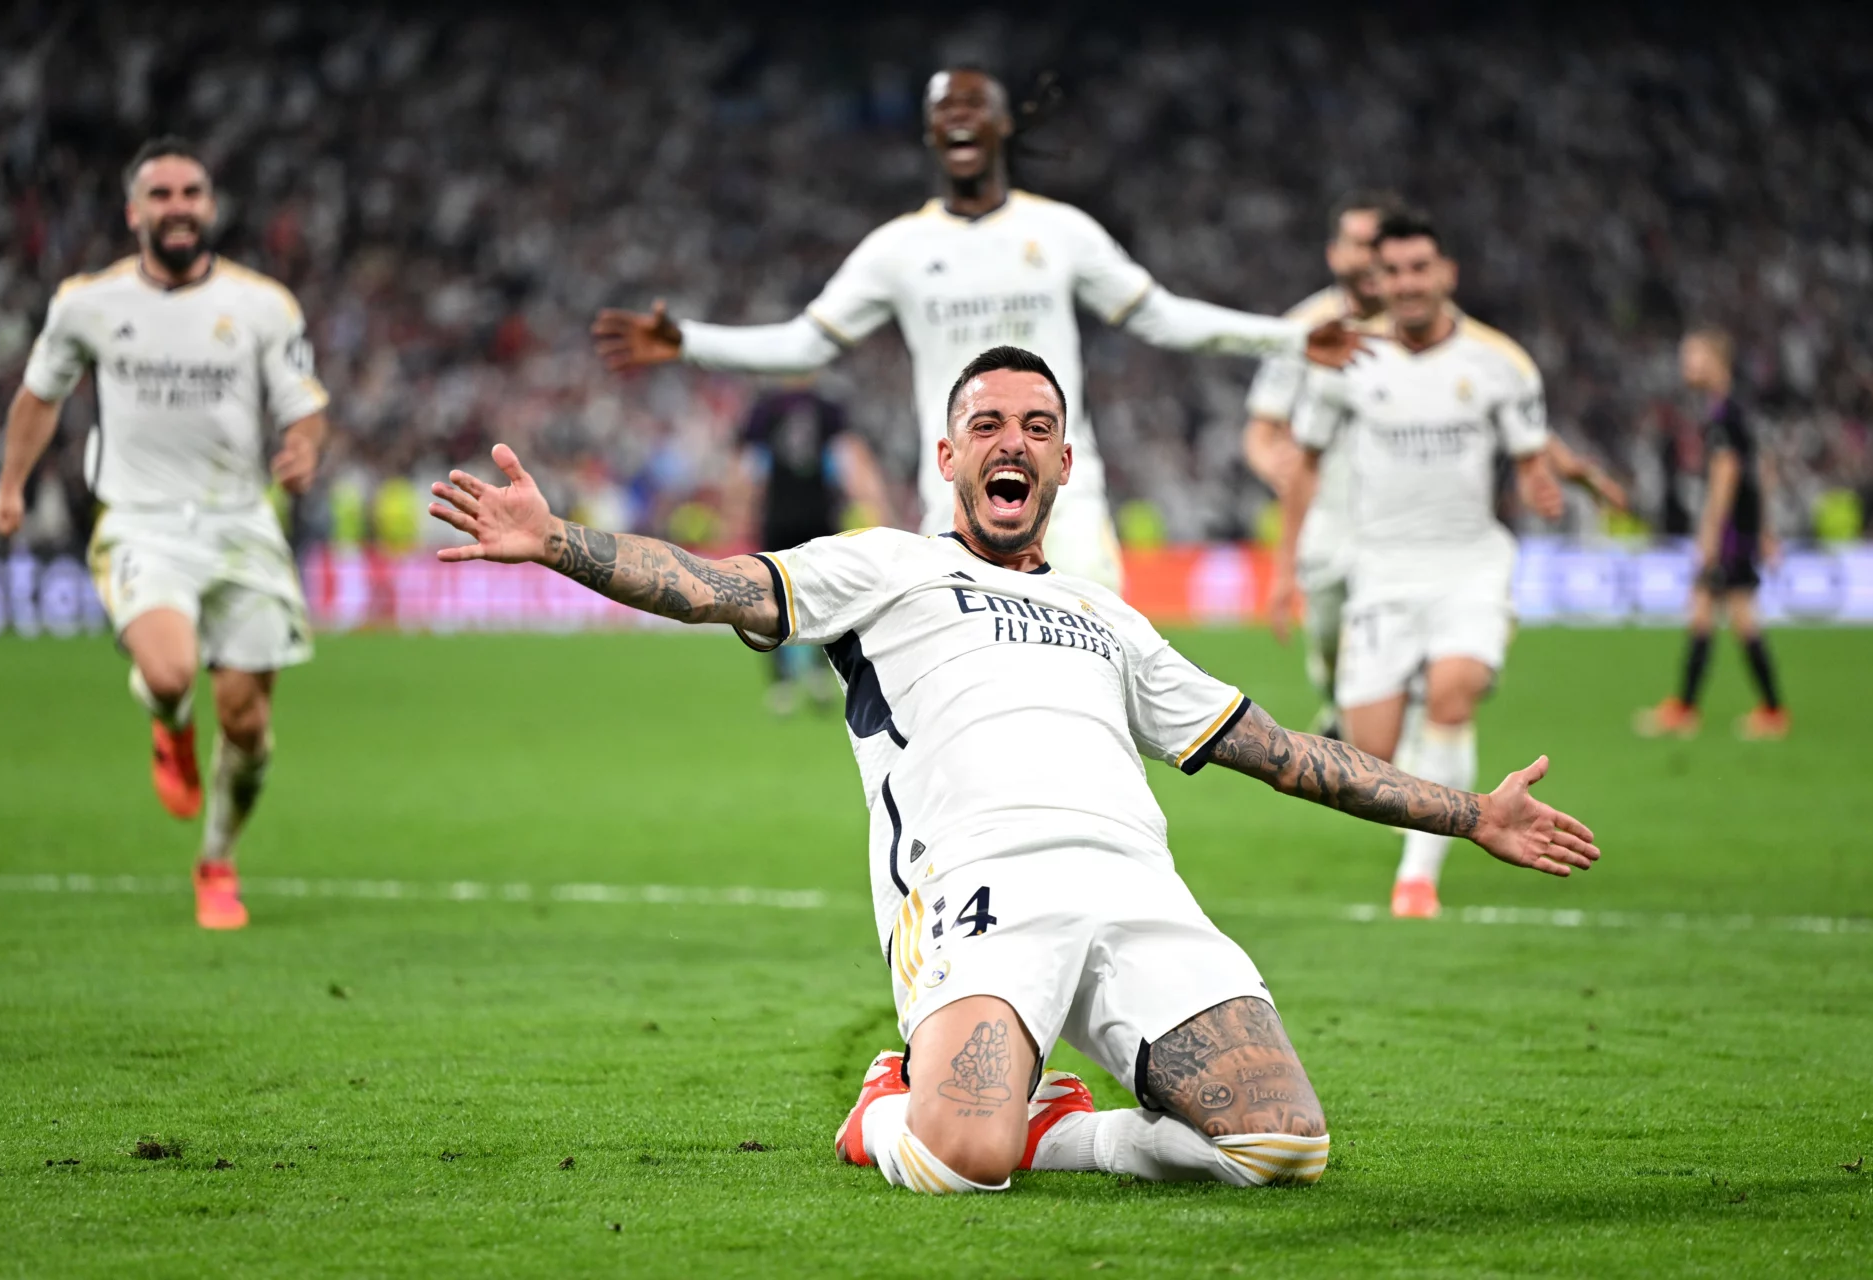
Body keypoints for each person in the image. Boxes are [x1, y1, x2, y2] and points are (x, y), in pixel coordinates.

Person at [427, 344, 1599, 1195]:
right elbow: (715, 583)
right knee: (953, 1161)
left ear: (1063, 460)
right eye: (988, 423)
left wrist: (1470, 812)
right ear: (949, 453)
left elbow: (1284, 753)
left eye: (1035, 425)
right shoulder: (883, 568)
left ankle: (1059, 1131)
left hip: (1139, 891)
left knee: (1280, 1147)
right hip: (985, 890)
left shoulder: (1111, 616)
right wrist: (560, 542)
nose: (1011, 442)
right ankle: (890, 1106)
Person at [593, 67, 1360, 592]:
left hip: (1070, 490)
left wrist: (1289, 338)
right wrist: (690, 341)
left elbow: (1161, 315)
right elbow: (806, 343)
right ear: (931, 134)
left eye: (973, 105)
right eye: (942, 109)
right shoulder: (899, 248)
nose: (958, 117)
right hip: (954, 494)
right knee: (976, 689)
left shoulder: (1061, 232)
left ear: (1001, 125)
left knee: (1096, 666)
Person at [0, 137, 329, 930]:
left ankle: (218, 862)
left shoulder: (261, 305)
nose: (178, 206)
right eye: (161, 194)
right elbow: (41, 396)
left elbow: (304, 402)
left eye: (192, 192)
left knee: (247, 722)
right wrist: (9, 487)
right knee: (172, 673)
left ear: (210, 207)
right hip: (142, 522)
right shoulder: (89, 303)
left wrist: (303, 449)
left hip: (241, 523)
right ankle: (168, 725)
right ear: (134, 211)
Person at [1278, 211, 1568, 920]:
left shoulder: (1499, 362)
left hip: (1469, 565)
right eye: (1393, 272)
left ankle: (1417, 879)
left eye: (1419, 269)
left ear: (1446, 275)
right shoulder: (1347, 361)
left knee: (1453, 694)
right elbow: (1304, 466)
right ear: (1378, 281)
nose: (1407, 284)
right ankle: (1413, 737)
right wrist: (1287, 565)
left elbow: (1532, 454)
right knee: (1370, 757)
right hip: (1379, 571)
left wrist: (1541, 482)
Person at [1247, 190, 1402, 739]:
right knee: (1332, 643)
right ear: (1335, 254)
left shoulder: (1423, 327)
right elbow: (1261, 432)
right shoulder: (1303, 328)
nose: (1366, 258)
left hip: (1399, 524)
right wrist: (1280, 467)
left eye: (1376, 245)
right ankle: (1339, 702)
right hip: (1326, 518)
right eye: (1357, 245)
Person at [1635, 329, 1787, 740]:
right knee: (1705, 611)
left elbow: (1728, 474)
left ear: (1715, 361)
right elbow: (1763, 469)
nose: (1686, 366)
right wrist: (1767, 530)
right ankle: (1688, 707)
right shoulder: (1735, 409)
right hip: (1742, 529)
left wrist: (1709, 535)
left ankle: (1769, 711)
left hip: (1731, 533)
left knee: (1738, 617)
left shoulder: (1723, 415)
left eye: (1693, 357)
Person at [726, 378, 892, 713]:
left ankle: (789, 680)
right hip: (815, 515)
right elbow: (851, 464)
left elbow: (747, 469)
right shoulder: (826, 408)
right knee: (820, 593)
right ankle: (806, 675)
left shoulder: (767, 408)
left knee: (773, 596)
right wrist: (874, 505)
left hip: (782, 515)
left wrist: (737, 512)